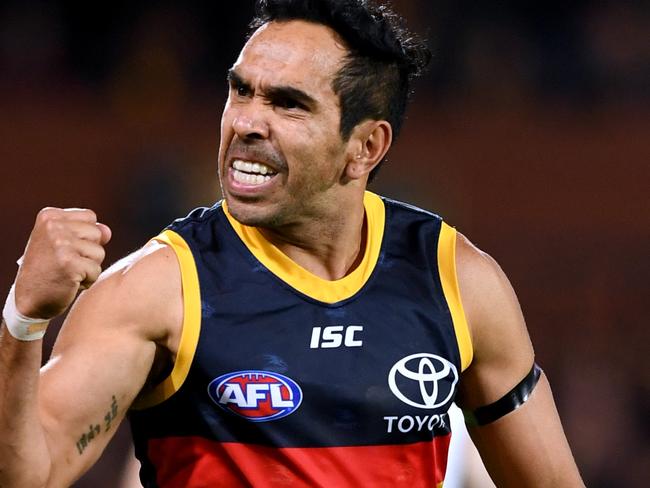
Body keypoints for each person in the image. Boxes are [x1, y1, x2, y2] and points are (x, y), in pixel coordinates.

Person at [0, 1, 584, 486]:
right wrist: (23, 320)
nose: (246, 124)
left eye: (287, 103)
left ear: (366, 148)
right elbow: (27, 474)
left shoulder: (456, 281)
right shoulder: (160, 289)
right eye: (240, 92)